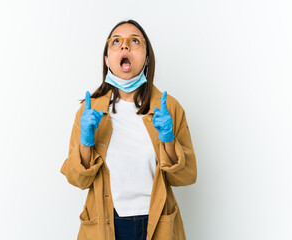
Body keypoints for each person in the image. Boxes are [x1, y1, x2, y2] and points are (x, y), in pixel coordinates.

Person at [60, 19, 197, 240]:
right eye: (116, 42)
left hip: (157, 221)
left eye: (134, 41)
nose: (125, 46)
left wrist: (169, 141)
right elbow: (78, 180)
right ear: (107, 59)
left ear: (147, 57)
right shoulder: (89, 111)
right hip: (107, 222)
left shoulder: (168, 107)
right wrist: (86, 142)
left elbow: (186, 177)